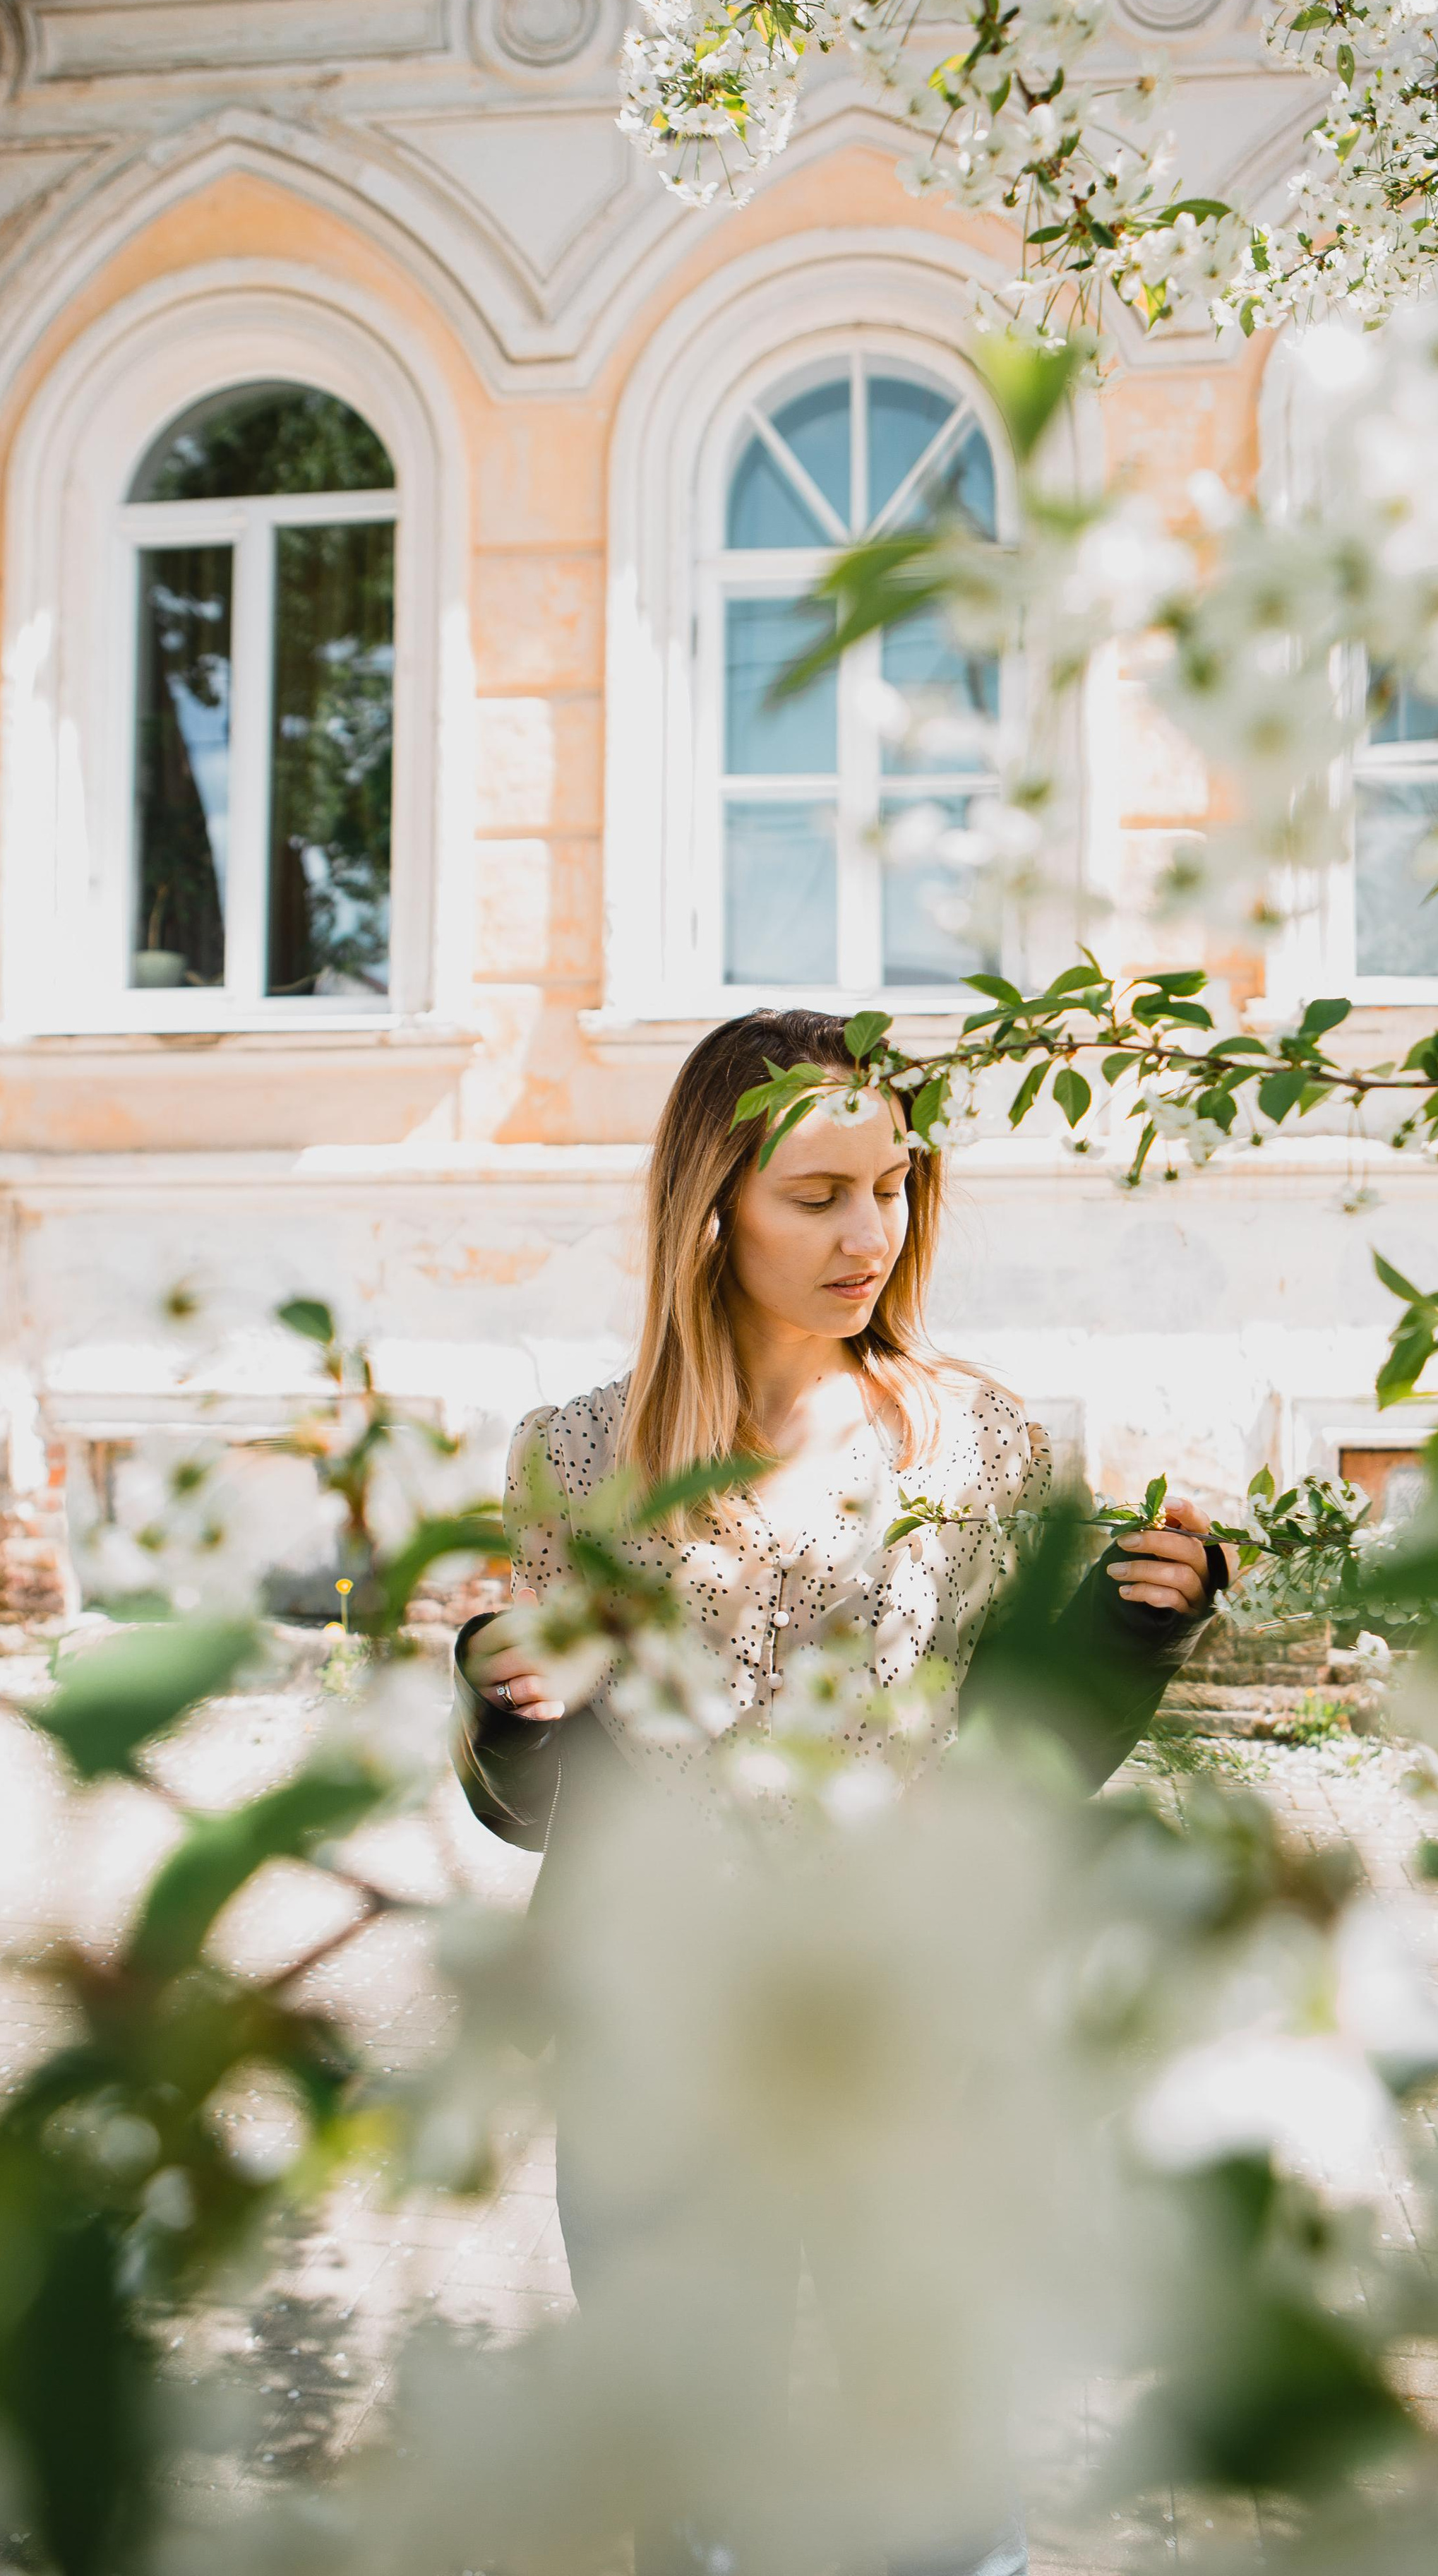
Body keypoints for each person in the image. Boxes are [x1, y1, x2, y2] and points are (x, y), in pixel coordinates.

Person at [450, 1008, 1226, 2576]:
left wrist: (1137, 1623)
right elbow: (535, 1806)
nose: (867, 1235)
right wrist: (508, 1698)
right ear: (713, 1206)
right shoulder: (576, 1458)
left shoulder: (975, 1439)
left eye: (890, 1188)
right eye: (816, 1197)